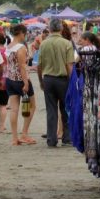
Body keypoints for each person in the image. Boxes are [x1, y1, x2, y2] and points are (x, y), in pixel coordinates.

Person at [37, 18, 75, 147]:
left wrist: (41, 81)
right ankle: (67, 137)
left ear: (50, 29)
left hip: (48, 79)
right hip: (63, 80)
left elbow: (39, 65)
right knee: (66, 109)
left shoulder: (43, 43)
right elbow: (69, 65)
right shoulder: (66, 44)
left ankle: (51, 139)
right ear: (61, 28)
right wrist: (72, 82)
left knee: (51, 110)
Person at [5, 24, 37, 146]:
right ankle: (24, 133)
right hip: (20, 80)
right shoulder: (21, 48)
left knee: (14, 109)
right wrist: (25, 83)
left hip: (10, 79)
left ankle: (14, 138)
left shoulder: (9, 46)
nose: (25, 36)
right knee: (32, 106)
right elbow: (22, 67)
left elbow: (13, 65)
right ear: (21, 33)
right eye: (25, 34)